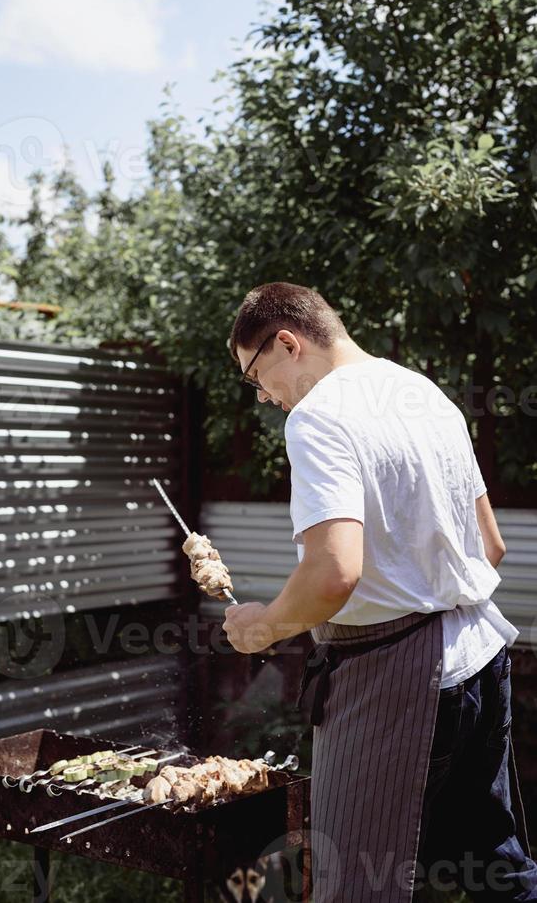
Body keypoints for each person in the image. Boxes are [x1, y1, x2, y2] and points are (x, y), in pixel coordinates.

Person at [222, 281, 537, 902]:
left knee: (355, 882)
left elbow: (334, 572)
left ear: (288, 343)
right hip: (481, 659)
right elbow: (490, 544)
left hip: (396, 678)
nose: (264, 397)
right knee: (499, 868)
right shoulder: (425, 394)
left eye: (255, 377)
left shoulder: (318, 416)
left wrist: (262, 627)